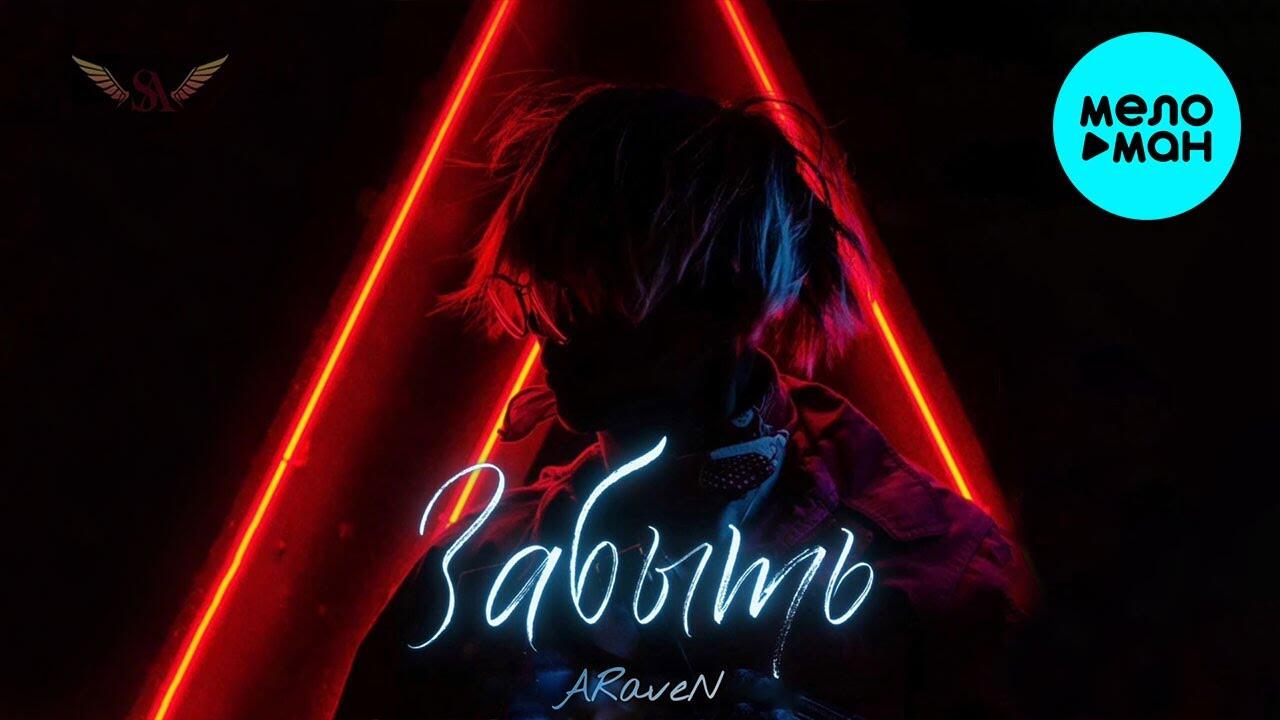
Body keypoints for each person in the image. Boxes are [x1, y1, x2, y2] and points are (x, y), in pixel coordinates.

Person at [336, 84, 1028, 719]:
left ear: (729, 295)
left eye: (597, 293)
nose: (553, 332)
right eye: (542, 291)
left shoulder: (934, 574)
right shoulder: (479, 571)